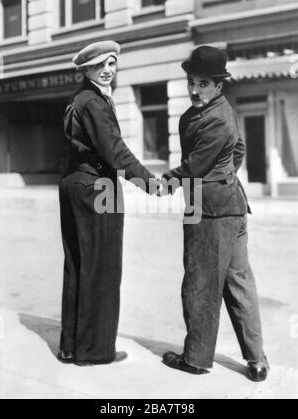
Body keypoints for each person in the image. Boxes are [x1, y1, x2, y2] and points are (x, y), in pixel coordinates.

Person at [160, 46, 269, 382]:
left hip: (207, 210)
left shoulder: (215, 118)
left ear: (219, 85)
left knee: (200, 284)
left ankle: (196, 359)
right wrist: (224, 176)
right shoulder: (221, 111)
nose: (195, 89)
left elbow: (195, 165)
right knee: (239, 283)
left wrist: (170, 182)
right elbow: (238, 150)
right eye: (192, 81)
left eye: (203, 83)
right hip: (231, 205)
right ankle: (257, 360)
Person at [58, 41, 158, 366]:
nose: (107, 70)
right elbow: (114, 150)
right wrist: (149, 182)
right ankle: (95, 352)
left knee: (78, 266)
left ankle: (71, 347)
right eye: (100, 65)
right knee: (102, 268)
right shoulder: (95, 103)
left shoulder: (80, 99)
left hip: (76, 182)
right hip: (98, 186)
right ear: (86, 70)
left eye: (112, 64)